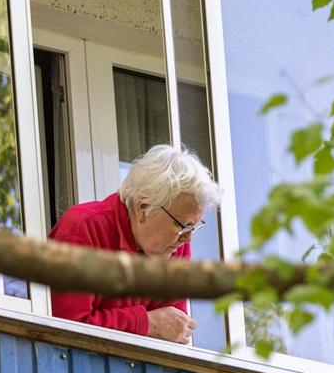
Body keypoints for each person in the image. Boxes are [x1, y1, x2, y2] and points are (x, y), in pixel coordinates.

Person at [49, 145, 222, 344]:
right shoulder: (83, 228)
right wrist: (147, 323)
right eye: (182, 225)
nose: (187, 239)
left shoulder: (175, 246)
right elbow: (68, 328)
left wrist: (158, 327)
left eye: (194, 227)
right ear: (143, 208)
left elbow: (173, 333)